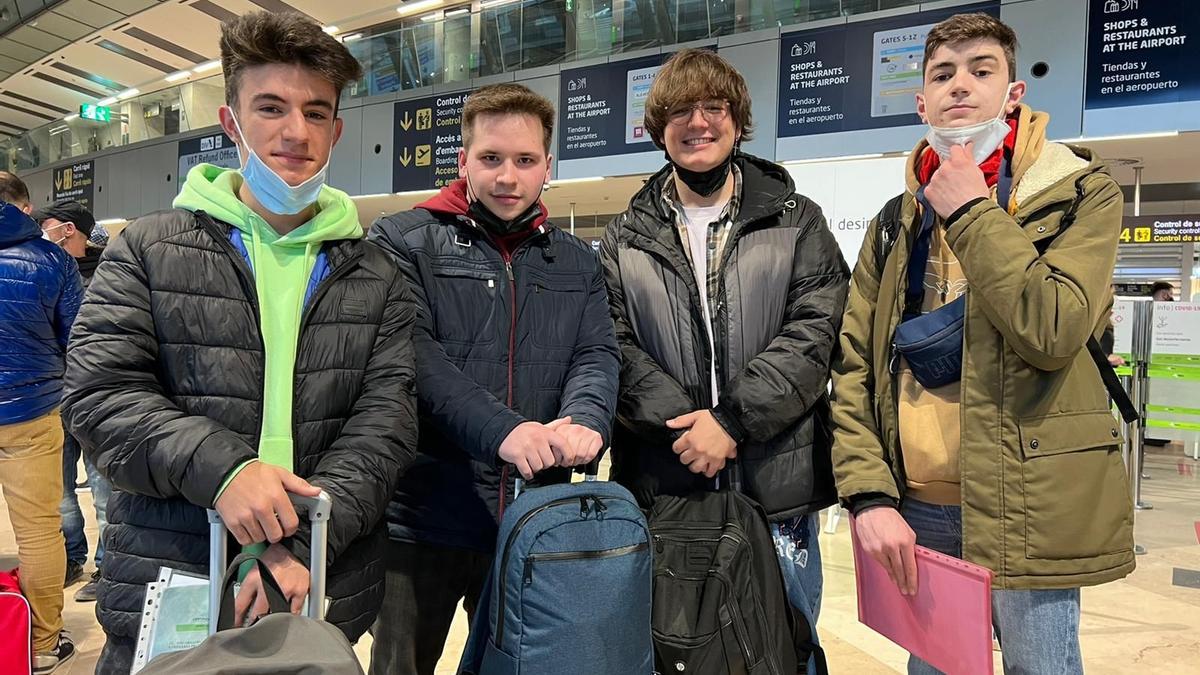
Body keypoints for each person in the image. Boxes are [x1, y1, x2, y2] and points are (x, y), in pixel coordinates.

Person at [61, 12, 418, 673]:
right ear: (231, 123)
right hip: (176, 574)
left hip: (319, 579)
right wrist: (225, 471)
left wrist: (304, 539)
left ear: (337, 130)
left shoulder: (375, 273)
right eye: (271, 107)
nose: (295, 132)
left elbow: (386, 424)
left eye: (316, 113)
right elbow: (100, 396)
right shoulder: (148, 248)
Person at [831, 13, 1134, 674]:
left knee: (1044, 666)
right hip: (922, 505)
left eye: (981, 70)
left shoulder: (1081, 194)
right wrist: (869, 494)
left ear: (1014, 93)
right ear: (921, 101)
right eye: (943, 74)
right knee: (935, 668)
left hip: (1031, 496)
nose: (960, 85)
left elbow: (1054, 327)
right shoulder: (895, 220)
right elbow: (854, 364)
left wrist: (971, 212)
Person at [599, 48, 850, 668]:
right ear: (660, 130)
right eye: (680, 110)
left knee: (786, 644)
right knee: (672, 648)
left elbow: (814, 333)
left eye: (715, 107)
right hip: (664, 485)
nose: (699, 122)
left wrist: (732, 422)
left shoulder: (798, 222)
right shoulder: (623, 236)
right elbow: (611, 343)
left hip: (777, 487)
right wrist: (689, 428)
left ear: (738, 122)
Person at [366, 83, 619, 675]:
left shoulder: (579, 263)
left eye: (525, 161)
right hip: (420, 516)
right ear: (463, 161)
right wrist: (506, 431)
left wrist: (587, 417)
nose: (508, 176)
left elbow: (597, 353)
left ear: (547, 168)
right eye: (491, 158)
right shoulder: (402, 241)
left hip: (534, 520)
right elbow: (414, 357)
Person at [0, 171, 82, 673]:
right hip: (32, 411)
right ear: (23, 208)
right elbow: (79, 338)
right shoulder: (51, 259)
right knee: (37, 532)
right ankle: (42, 645)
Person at [33, 199, 113, 602]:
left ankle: (107, 565)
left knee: (104, 488)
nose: (37, 232)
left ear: (68, 229)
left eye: (44, 225)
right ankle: (71, 556)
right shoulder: (39, 270)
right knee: (60, 489)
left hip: (97, 396)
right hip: (51, 398)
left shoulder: (110, 272)